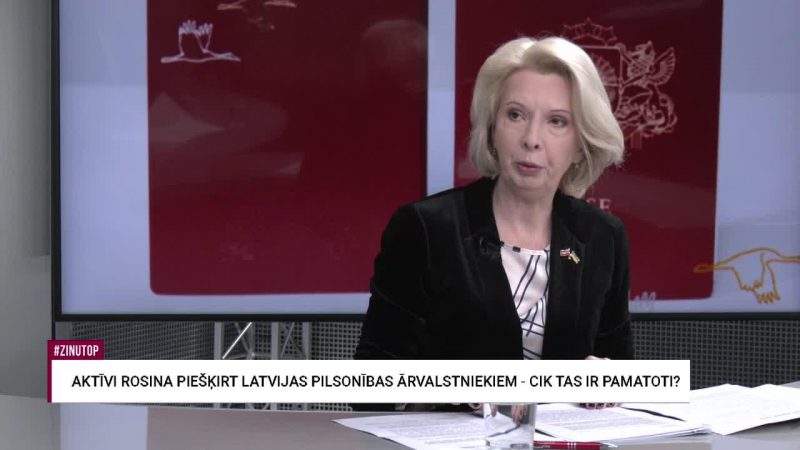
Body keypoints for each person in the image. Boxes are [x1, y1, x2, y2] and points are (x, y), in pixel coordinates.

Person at [354, 36, 632, 409]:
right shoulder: (426, 228)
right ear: (491, 128)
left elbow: (624, 375)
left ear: (582, 145)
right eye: (515, 115)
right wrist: (462, 389)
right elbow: (369, 387)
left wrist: (610, 383)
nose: (531, 139)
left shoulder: (602, 236)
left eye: (557, 122)